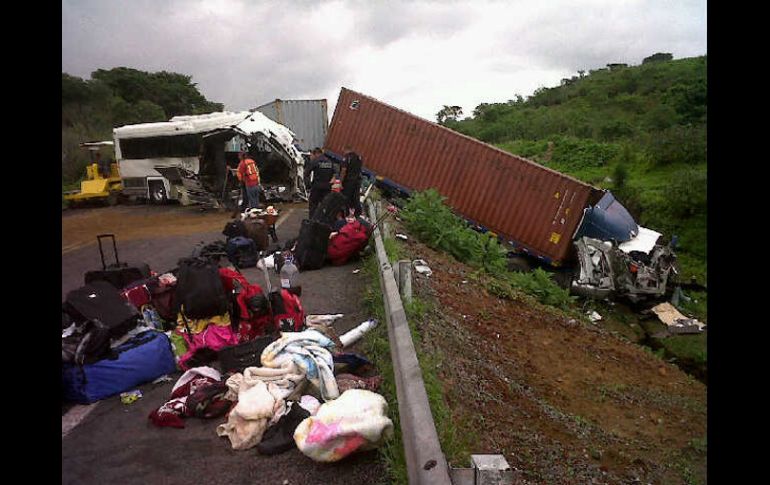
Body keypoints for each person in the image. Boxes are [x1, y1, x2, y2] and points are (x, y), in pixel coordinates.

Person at [303, 148, 336, 218]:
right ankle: (324, 221)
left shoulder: (315, 161)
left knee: (313, 206)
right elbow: (335, 174)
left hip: (317, 187)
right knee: (325, 206)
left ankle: (312, 222)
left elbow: (306, 173)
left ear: (316, 154)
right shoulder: (329, 162)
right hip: (327, 188)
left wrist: (308, 184)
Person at [340, 146, 363, 216]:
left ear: (346, 150)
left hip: (349, 182)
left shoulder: (346, 158)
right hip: (357, 182)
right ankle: (357, 214)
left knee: (346, 198)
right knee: (356, 199)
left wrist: (340, 182)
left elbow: (343, 170)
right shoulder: (358, 158)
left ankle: (345, 214)